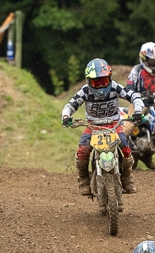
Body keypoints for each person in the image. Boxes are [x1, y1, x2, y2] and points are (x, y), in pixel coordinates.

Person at [62, 59, 145, 197]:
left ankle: (127, 178)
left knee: (126, 148)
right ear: (89, 81)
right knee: (82, 150)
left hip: (114, 124)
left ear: (110, 79)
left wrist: (137, 111)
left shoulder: (115, 87)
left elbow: (134, 96)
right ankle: (83, 180)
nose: (100, 86)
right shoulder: (85, 91)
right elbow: (70, 105)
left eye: (104, 81)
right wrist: (66, 116)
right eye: (96, 83)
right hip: (93, 126)